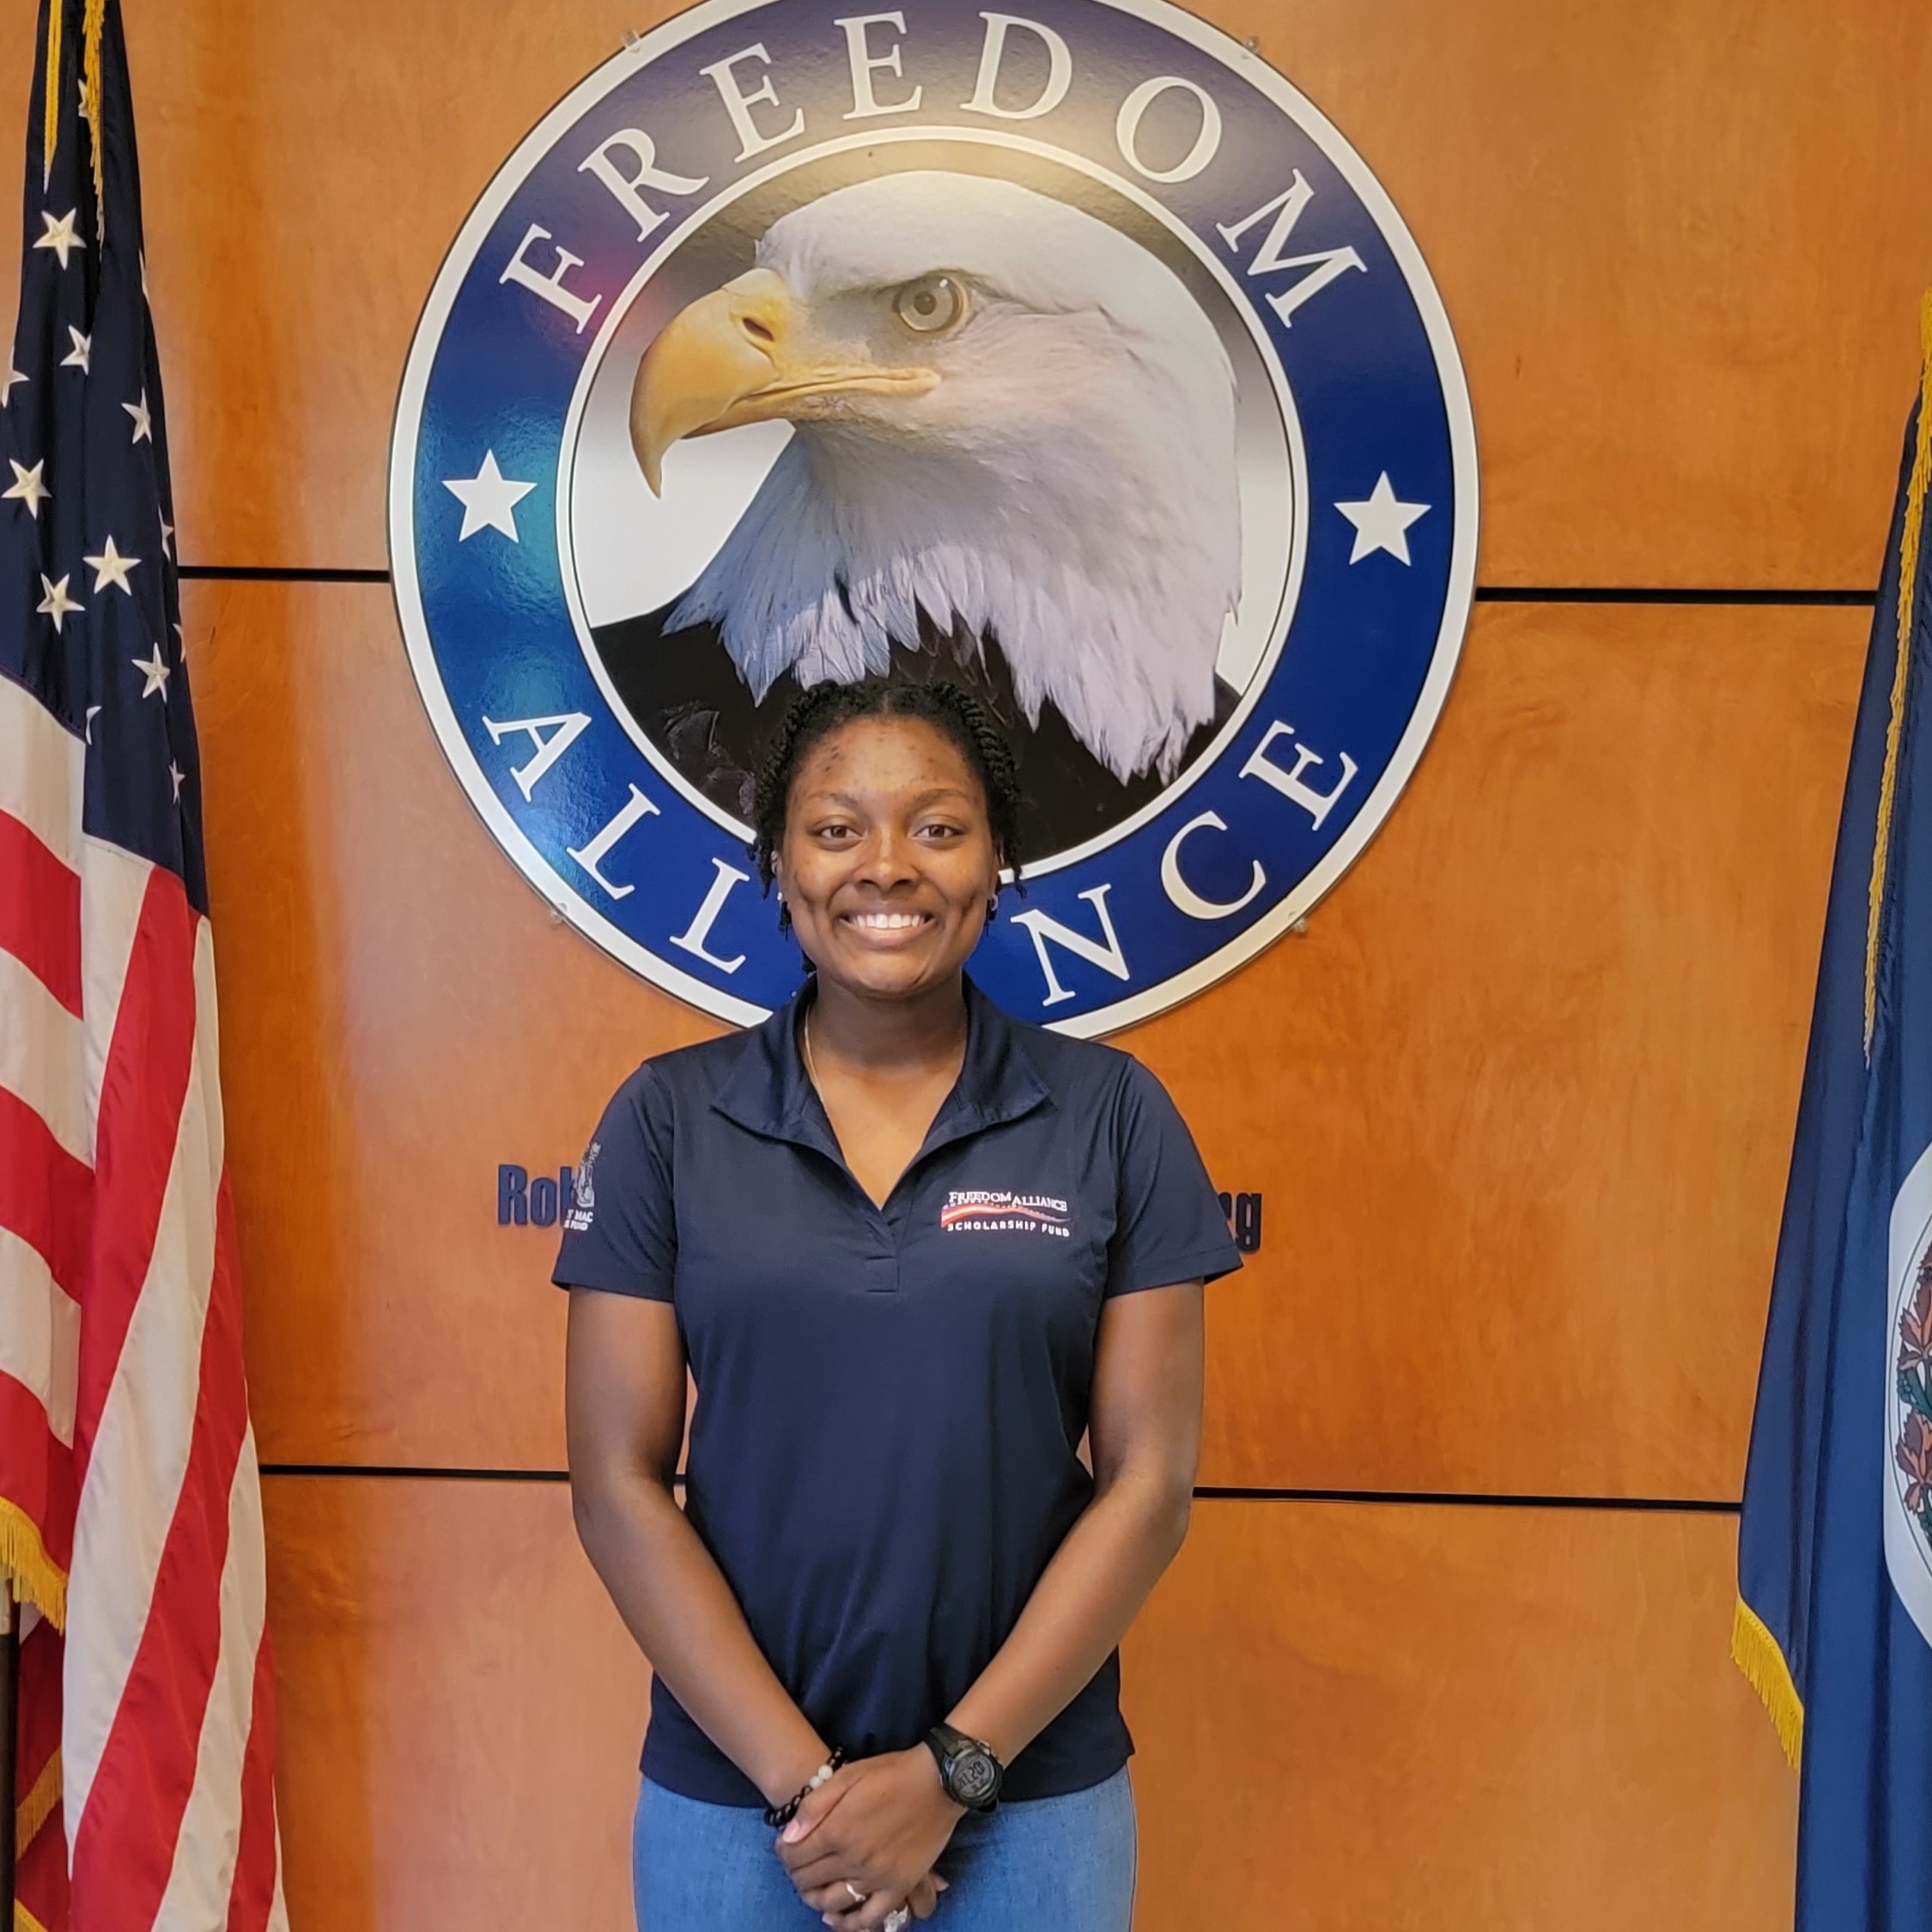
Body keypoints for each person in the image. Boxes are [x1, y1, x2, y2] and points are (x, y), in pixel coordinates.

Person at [555, 677, 1242, 1930]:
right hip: (738, 1800)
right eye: (835, 829)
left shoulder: (1110, 1114)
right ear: (778, 867)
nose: (887, 867)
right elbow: (614, 1481)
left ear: (996, 865)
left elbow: (1148, 1481)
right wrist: (814, 1794)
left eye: (937, 827)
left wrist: (951, 1772)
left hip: (1028, 1797)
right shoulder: (665, 1118)